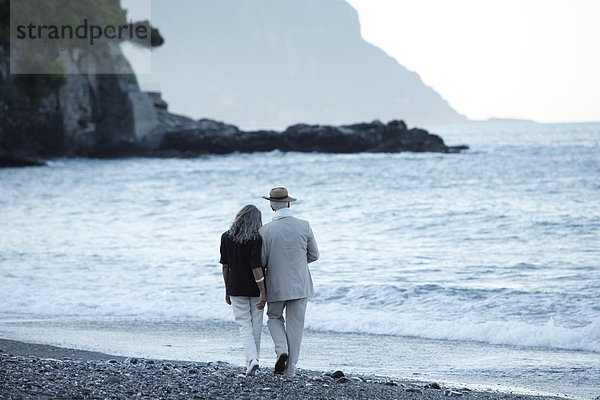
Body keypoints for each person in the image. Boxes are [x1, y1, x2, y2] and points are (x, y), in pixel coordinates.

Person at [259, 187, 319, 377]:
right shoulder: (305, 225)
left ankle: (281, 350)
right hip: (300, 284)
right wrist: (298, 264)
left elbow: (261, 261)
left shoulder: (265, 230)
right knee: (296, 326)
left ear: (271, 206)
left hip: (276, 284)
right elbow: (314, 255)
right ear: (289, 203)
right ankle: (290, 370)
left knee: (274, 317)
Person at [219, 204, 267, 376]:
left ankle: (251, 360)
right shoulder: (256, 239)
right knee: (256, 326)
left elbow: (225, 266)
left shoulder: (226, 237)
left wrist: (227, 289)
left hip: (236, 287)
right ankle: (254, 360)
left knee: (244, 325)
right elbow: (256, 267)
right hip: (255, 287)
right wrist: (263, 291)